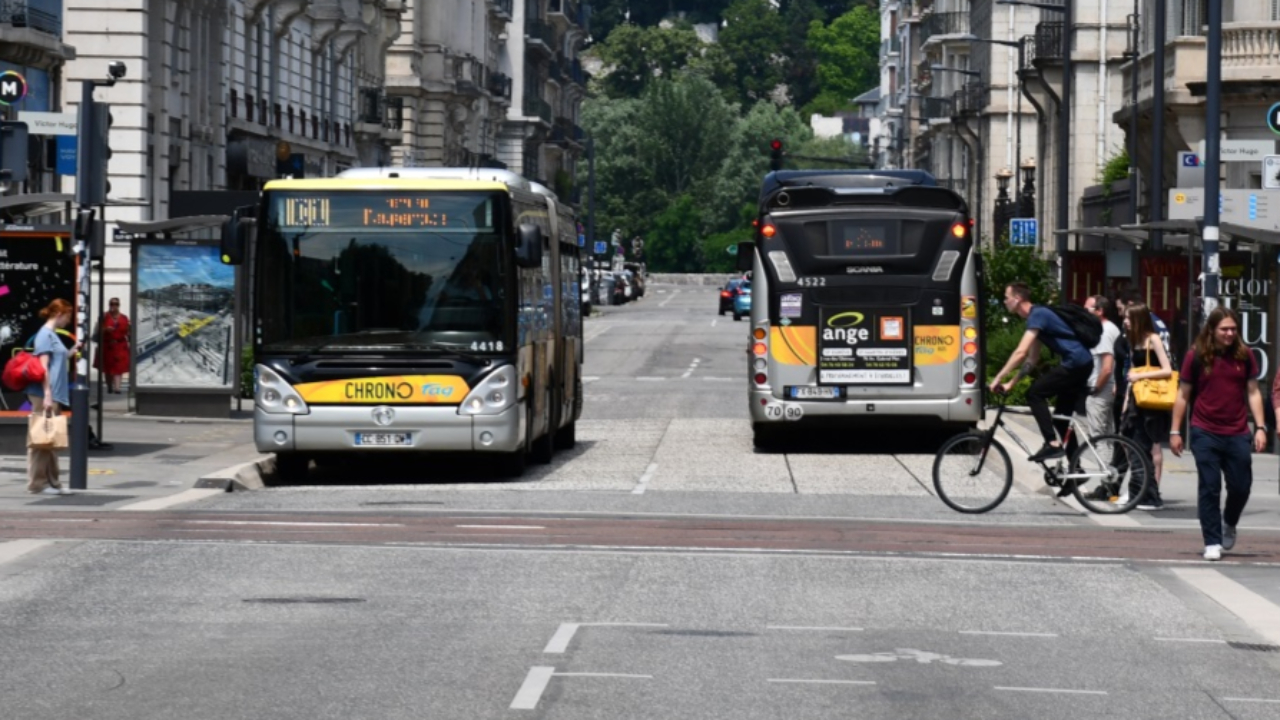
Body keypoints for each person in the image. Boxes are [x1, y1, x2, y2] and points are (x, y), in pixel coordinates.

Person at [1170, 307, 1266, 561]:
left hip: (1237, 432)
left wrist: (1260, 427)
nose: (1229, 333)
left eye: (1233, 329)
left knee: (1241, 487)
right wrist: (1175, 430)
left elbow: (1254, 392)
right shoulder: (1197, 355)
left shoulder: (1244, 355)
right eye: (1224, 329)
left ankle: (1229, 521)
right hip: (1205, 432)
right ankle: (1212, 541)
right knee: (1209, 488)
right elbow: (1183, 395)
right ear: (1212, 330)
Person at [989, 283, 1094, 467]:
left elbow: (1020, 352)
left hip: (1076, 363)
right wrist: (1011, 383)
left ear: (1017, 299)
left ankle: (1052, 444)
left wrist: (998, 378)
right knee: (1061, 419)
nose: (1005, 301)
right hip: (1080, 364)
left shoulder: (1038, 315)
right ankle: (1076, 471)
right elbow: (1032, 358)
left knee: (1034, 394)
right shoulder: (1036, 317)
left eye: (1007, 297)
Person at [1119, 302, 1174, 510]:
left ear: (1138, 319)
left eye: (1128, 318)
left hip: (1151, 401)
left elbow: (1167, 370)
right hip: (1136, 399)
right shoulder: (1134, 341)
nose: (1124, 322)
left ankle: (1150, 496)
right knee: (1130, 442)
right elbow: (1132, 373)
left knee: (1144, 446)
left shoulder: (1153, 339)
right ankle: (1138, 491)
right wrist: (1126, 402)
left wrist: (1141, 374)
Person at [25, 299, 78, 496]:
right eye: (68, 316)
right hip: (45, 394)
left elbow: (56, 361)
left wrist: (72, 352)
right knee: (41, 440)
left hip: (52, 394)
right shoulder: (45, 335)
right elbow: (43, 367)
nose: (69, 320)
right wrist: (48, 394)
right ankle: (38, 484)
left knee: (50, 438)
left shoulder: (51, 335)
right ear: (59, 314)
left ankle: (53, 482)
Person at [1082, 295, 1121, 436]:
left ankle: (1102, 459)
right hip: (1109, 388)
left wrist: (1095, 389)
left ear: (1100, 311)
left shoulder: (1103, 332)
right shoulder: (1111, 328)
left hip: (1102, 389)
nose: (1084, 312)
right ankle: (1108, 458)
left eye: (1087, 309)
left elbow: (1107, 367)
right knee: (1109, 432)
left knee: (1097, 435)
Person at [93, 297, 130, 393]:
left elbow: (128, 331)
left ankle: (117, 388)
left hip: (120, 345)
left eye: (116, 304)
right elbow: (97, 331)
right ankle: (109, 386)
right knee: (108, 368)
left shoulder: (124, 318)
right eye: (111, 304)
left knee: (118, 368)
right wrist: (105, 329)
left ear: (119, 305)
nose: (113, 306)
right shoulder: (104, 316)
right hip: (107, 345)